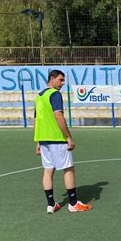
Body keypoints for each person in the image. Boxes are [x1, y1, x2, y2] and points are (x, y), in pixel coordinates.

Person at [34, 70, 92, 213]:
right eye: (60, 80)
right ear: (52, 79)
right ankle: (73, 203)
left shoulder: (39, 96)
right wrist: (68, 136)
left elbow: (37, 120)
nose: (62, 83)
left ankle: (51, 204)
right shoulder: (54, 94)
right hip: (56, 138)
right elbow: (58, 116)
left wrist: (38, 141)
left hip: (44, 139)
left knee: (48, 171)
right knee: (68, 168)